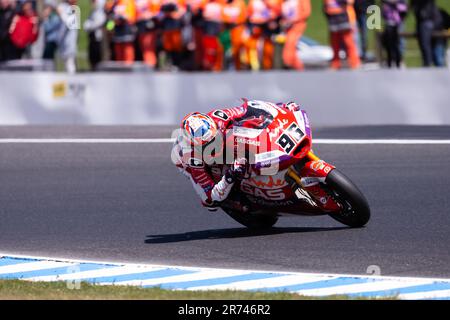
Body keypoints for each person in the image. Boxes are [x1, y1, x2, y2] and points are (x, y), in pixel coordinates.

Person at [172, 100, 339, 213]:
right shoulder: (192, 159)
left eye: (214, 139)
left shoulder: (218, 118)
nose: (213, 144)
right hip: (210, 172)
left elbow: (250, 107)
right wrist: (228, 178)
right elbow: (211, 196)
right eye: (208, 145)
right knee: (212, 202)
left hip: (233, 148)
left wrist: (282, 107)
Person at [323, 0, 361, 70]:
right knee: (335, 44)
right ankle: (335, 64)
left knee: (349, 42)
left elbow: (349, 2)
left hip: (344, 18)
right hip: (333, 19)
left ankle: (355, 63)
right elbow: (326, 6)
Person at [247, 0, 282, 70]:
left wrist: (274, 21)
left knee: (268, 47)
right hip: (256, 23)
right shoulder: (253, 2)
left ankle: (267, 67)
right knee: (252, 45)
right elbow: (249, 13)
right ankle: (253, 66)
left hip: (268, 23)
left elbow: (278, 11)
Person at [410, 0, 445, 67]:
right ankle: (427, 63)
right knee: (424, 45)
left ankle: (428, 63)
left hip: (429, 22)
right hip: (423, 23)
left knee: (426, 45)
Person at [280, 0, 311, 70]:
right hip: (287, 27)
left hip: (297, 25)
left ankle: (287, 62)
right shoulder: (283, 1)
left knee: (290, 44)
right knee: (292, 49)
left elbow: (306, 12)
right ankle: (298, 68)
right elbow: (278, 11)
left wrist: (293, 20)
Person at [105, 0, 136, 64]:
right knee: (118, 51)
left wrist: (122, 17)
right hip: (116, 30)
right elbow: (110, 16)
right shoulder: (113, 3)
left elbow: (131, 17)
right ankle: (120, 68)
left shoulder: (128, 2)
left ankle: (128, 66)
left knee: (127, 51)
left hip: (126, 29)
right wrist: (109, 27)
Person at [135, 0, 161, 68]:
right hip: (141, 25)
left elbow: (159, 12)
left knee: (148, 47)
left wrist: (151, 14)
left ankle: (151, 64)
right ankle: (147, 63)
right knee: (143, 46)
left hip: (150, 25)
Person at [382, 0, 407, 68]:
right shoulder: (386, 3)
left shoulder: (400, 2)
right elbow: (384, 12)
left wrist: (394, 3)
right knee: (388, 44)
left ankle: (400, 61)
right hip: (389, 23)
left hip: (398, 24)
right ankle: (390, 60)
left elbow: (404, 9)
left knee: (399, 43)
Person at [222, 0, 247, 70]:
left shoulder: (240, 3)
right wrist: (228, 20)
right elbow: (222, 14)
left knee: (238, 47)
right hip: (226, 29)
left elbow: (243, 15)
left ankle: (238, 66)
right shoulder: (224, 3)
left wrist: (236, 21)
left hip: (238, 28)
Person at [201, 0, 225, 71]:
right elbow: (204, 15)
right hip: (209, 26)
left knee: (217, 46)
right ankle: (208, 64)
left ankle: (216, 65)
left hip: (216, 26)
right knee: (209, 47)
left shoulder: (220, 5)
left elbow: (222, 16)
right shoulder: (206, 4)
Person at [58, 0, 80, 73]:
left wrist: (61, 13)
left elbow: (69, 23)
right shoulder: (65, 7)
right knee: (65, 64)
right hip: (64, 41)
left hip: (70, 42)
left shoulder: (74, 9)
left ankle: (71, 81)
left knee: (70, 64)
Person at [83, 0, 106, 70]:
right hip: (92, 38)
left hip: (98, 39)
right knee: (92, 56)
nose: (92, 3)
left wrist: (90, 26)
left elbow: (99, 22)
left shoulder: (101, 13)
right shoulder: (93, 12)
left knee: (98, 56)